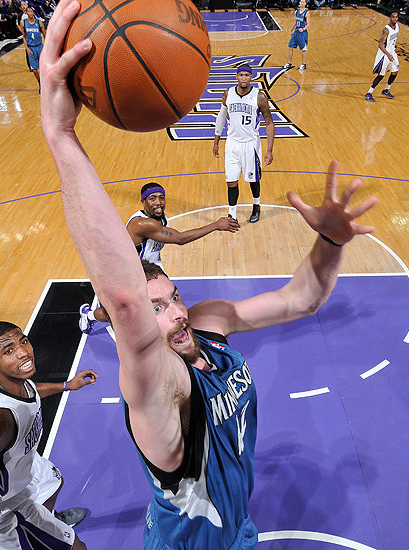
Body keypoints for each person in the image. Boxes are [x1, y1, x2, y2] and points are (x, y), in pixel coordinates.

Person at [40, 1, 377, 546]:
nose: (175, 313)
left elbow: (302, 300)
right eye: (156, 309)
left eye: (172, 297)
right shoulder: (157, 386)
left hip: (238, 530)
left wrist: (331, 242)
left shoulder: (207, 324)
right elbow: (125, 301)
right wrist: (59, 132)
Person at [0, 321, 97, 549]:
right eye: (9, 350)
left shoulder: (6, 380)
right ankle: (38, 529)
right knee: (77, 548)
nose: (23, 352)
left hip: (18, 467)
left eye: (24, 341)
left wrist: (66, 385)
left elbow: (29, 391)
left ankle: (46, 521)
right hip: (0, 511)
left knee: (53, 481)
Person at [78, 181, 240, 334]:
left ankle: (169, 331)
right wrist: (216, 225)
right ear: (143, 202)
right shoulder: (142, 224)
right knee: (119, 313)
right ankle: (89, 315)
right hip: (128, 273)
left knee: (168, 299)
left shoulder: (161, 217)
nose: (158, 202)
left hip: (151, 268)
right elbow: (180, 239)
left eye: (161, 198)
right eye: (152, 198)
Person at [212, 64, 275, 223]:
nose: (244, 78)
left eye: (247, 75)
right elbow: (221, 117)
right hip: (232, 143)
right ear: (237, 76)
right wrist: (216, 141)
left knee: (253, 179)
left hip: (250, 144)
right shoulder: (228, 94)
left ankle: (256, 205)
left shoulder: (259, 96)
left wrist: (269, 150)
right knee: (231, 180)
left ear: (251, 77)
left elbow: (269, 123)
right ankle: (232, 214)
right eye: (241, 75)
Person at [365, 12, 399, 102]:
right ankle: (369, 93)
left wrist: (392, 51)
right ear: (390, 18)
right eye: (393, 17)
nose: (395, 19)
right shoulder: (386, 30)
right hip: (384, 54)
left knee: (395, 72)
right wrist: (388, 54)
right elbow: (380, 45)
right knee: (381, 75)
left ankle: (386, 90)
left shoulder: (397, 26)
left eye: (396, 17)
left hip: (392, 52)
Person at [19, 5, 45, 91]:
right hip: (31, 48)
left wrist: (46, 48)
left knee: (44, 68)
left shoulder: (39, 23)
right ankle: (40, 83)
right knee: (34, 70)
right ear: (26, 13)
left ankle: (46, 83)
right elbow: (24, 36)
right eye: (29, 11)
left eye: (32, 11)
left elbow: (45, 36)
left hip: (39, 47)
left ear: (33, 12)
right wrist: (26, 48)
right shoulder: (23, 22)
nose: (30, 13)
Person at [283, 0, 311, 71]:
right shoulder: (297, 11)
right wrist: (291, 29)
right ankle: (289, 63)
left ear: (305, 3)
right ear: (299, 3)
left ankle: (303, 64)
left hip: (303, 33)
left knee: (303, 49)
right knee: (290, 47)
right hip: (296, 31)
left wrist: (303, 29)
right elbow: (295, 21)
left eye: (304, 2)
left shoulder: (307, 13)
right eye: (301, 2)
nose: (302, 3)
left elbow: (308, 25)